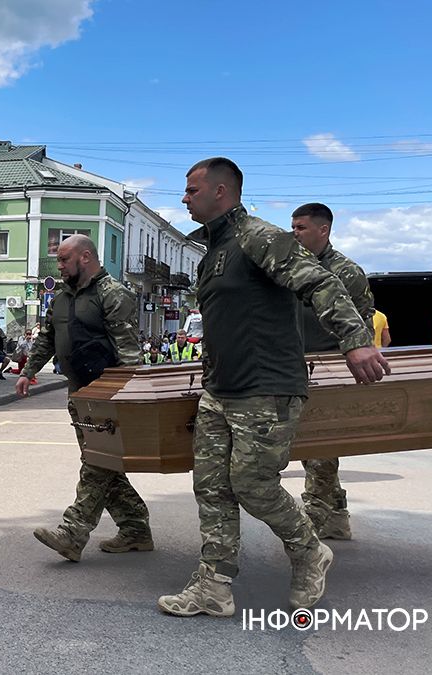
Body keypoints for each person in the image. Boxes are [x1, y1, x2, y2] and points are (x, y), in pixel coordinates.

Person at [156, 158, 386, 618]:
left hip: (266, 387)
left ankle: (309, 552)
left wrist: (356, 341)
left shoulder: (259, 237)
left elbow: (320, 281)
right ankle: (214, 587)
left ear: (221, 192)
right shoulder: (215, 249)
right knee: (211, 486)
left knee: (254, 485)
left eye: (192, 190)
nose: (184, 198)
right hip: (220, 388)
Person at [19, 234, 153, 566]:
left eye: (64, 260)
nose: (60, 266)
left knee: (98, 463)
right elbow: (48, 337)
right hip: (78, 394)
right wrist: (28, 371)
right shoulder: (62, 297)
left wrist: (128, 396)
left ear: (86, 257)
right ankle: (136, 528)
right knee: (103, 465)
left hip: (107, 397)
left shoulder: (113, 294)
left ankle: (73, 532)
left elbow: (129, 350)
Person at [290, 202, 376, 542]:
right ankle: (337, 516)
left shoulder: (347, 272)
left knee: (320, 445)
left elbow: (362, 324)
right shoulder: (290, 268)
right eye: (292, 227)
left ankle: (312, 520)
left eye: (301, 228)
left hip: (330, 366)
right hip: (294, 364)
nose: (294, 233)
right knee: (312, 446)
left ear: (323, 230)